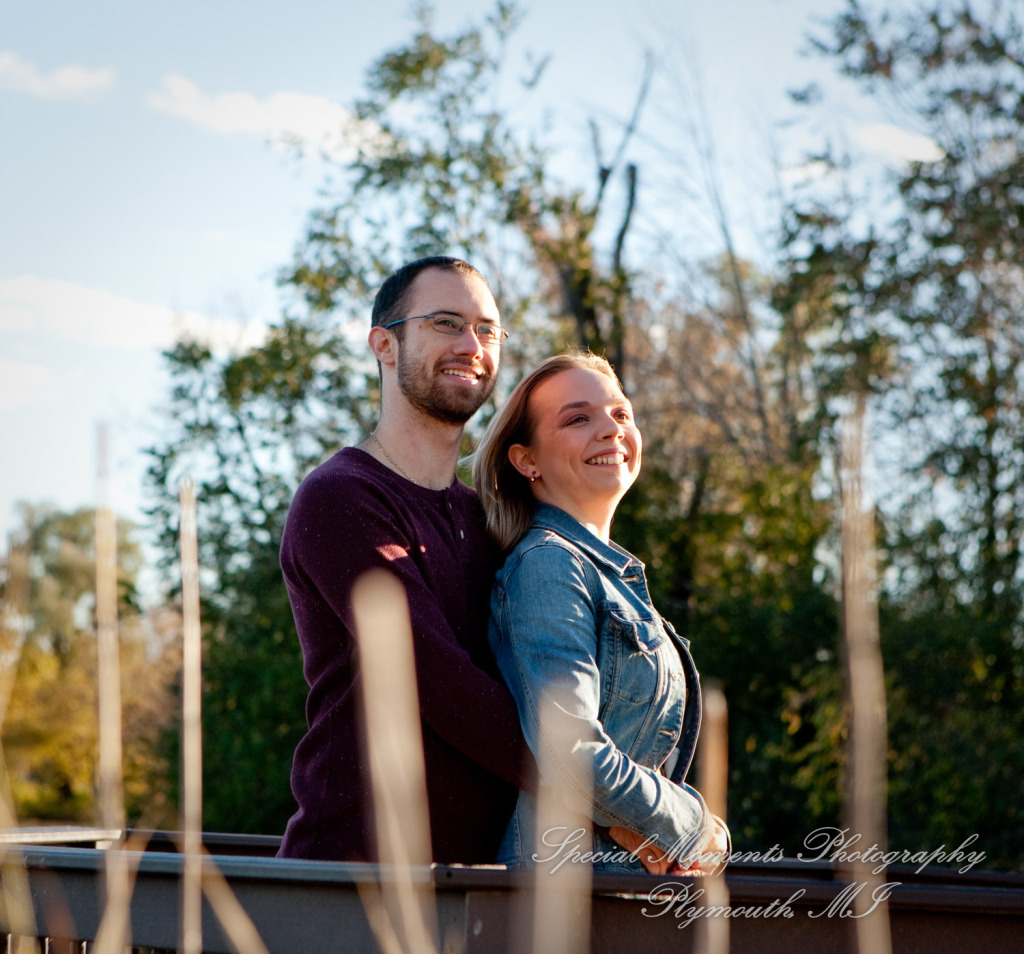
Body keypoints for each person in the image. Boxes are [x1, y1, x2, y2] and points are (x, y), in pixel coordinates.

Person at [277, 256, 533, 864]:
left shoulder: (489, 517)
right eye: (446, 322)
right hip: (346, 891)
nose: (472, 344)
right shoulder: (341, 497)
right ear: (384, 345)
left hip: (474, 894)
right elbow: (442, 687)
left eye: (488, 329)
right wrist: (611, 798)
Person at [472, 352, 729, 874]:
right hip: (563, 896)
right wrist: (692, 824)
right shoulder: (548, 566)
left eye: (620, 413)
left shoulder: (606, 575)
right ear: (526, 461)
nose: (610, 430)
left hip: (613, 886)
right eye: (577, 418)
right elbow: (571, 753)